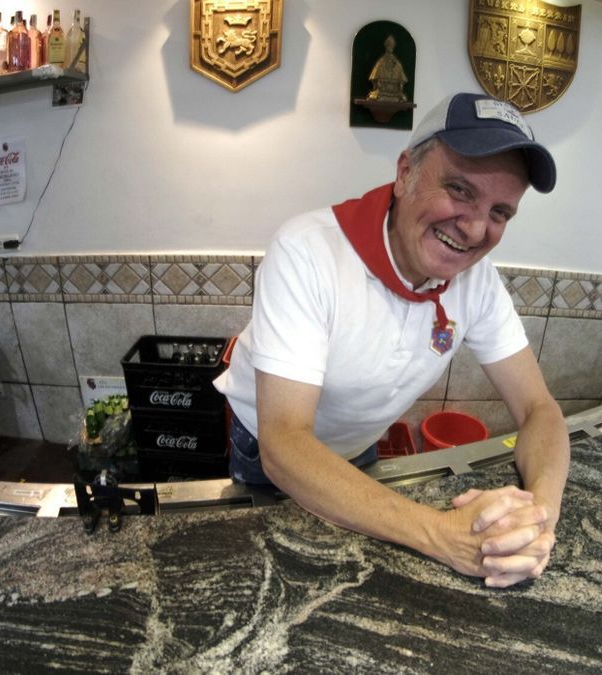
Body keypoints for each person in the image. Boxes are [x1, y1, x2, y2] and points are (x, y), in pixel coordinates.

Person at [214, 93, 570, 588]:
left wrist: (537, 520)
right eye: (460, 190)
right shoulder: (308, 252)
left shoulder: (479, 282)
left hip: (360, 449)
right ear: (405, 173)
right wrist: (441, 534)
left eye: (500, 212)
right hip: (268, 451)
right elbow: (284, 443)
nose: (473, 228)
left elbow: (540, 410)